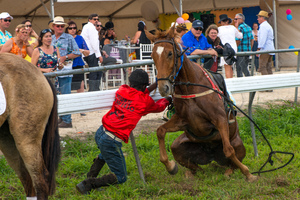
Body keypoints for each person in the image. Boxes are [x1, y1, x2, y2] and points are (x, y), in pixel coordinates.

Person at [76, 69, 171, 194]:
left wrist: (155, 83)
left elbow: (140, 93)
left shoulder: (123, 89)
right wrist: (168, 100)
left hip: (101, 132)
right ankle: (87, 184)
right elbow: (159, 107)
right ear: (144, 86)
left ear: (130, 82)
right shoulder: (144, 101)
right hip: (111, 140)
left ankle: (89, 178)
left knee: (105, 155)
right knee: (121, 177)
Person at [50, 16, 81, 128]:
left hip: (66, 69)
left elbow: (77, 52)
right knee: (57, 95)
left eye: (62, 26)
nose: (60, 27)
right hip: (54, 70)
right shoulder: (51, 38)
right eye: (58, 26)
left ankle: (67, 120)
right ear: (53, 27)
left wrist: (65, 57)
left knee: (66, 94)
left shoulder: (68, 37)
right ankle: (62, 117)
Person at [66, 21, 90, 95]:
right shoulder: (64, 39)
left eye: (74, 28)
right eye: (70, 28)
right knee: (67, 88)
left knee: (80, 87)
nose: (73, 30)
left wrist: (81, 50)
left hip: (78, 64)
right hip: (67, 65)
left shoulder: (80, 38)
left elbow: (87, 52)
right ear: (67, 29)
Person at [81, 13, 104, 91]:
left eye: (97, 19)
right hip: (91, 52)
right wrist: (99, 55)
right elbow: (94, 43)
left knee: (96, 71)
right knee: (94, 72)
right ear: (90, 20)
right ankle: (93, 90)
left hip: (87, 52)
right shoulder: (91, 28)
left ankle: (94, 89)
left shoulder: (86, 27)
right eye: (95, 19)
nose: (96, 21)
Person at [218, 14, 243, 78]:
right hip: (233, 49)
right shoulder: (233, 28)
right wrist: (237, 27)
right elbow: (240, 36)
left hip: (225, 49)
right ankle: (231, 80)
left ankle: (229, 83)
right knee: (230, 66)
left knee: (227, 67)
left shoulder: (219, 29)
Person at [234, 13, 253, 77]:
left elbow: (238, 39)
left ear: (241, 19)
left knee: (239, 68)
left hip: (240, 51)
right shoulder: (249, 27)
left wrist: (235, 48)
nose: (235, 20)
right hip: (247, 51)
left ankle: (243, 81)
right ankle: (248, 79)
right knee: (245, 67)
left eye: (236, 19)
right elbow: (252, 39)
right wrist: (250, 49)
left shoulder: (240, 27)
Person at [256, 10, 274, 77]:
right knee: (268, 67)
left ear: (262, 17)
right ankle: (271, 84)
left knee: (262, 67)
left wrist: (258, 48)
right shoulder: (268, 25)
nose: (257, 19)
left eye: (258, 17)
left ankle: (267, 84)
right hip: (270, 48)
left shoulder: (263, 26)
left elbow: (263, 38)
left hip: (264, 49)